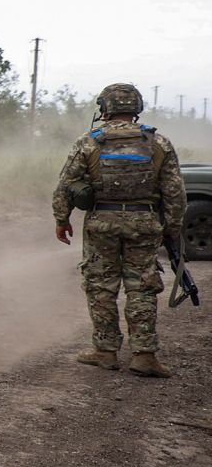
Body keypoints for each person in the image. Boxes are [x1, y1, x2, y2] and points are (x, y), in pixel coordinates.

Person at [53, 83, 186, 377]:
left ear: (105, 108)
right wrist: (172, 228)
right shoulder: (158, 143)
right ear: (135, 108)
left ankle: (105, 351)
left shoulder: (90, 141)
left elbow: (65, 184)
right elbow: (175, 192)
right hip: (144, 223)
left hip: (101, 222)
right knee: (143, 286)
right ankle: (144, 355)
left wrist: (62, 219)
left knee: (101, 285)